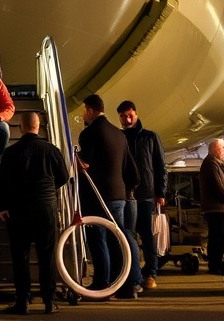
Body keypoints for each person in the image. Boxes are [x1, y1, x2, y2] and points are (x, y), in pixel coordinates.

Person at [0, 111, 69, 315]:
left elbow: (1, 182)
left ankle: (22, 300)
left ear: (21, 127)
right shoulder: (51, 150)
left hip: (18, 210)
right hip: (45, 207)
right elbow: (63, 177)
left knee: (20, 256)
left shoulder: (11, 152)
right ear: (38, 126)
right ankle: (49, 301)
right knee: (46, 255)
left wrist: (2, 206)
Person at [76, 94, 142, 300]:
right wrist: (126, 191)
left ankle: (102, 284)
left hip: (97, 195)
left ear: (89, 110)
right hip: (118, 195)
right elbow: (133, 172)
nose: (83, 116)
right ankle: (127, 285)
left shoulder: (89, 133)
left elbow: (84, 164)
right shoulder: (119, 134)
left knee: (98, 239)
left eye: (84, 112)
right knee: (119, 238)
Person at [117, 100, 167, 290]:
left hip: (146, 194)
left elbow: (160, 166)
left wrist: (161, 192)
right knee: (129, 234)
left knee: (146, 235)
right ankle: (133, 273)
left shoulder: (150, 137)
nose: (127, 120)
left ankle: (151, 272)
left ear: (136, 114)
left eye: (130, 115)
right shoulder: (120, 137)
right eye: (123, 116)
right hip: (126, 194)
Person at [199, 139, 224, 274]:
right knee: (218, 237)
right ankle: (215, 265)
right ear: (215, 149)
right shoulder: (211, 164)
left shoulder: (214, 163)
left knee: (219, 237)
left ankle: (216, 263)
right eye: (223, 148)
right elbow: (220, 188)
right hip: (216, 208)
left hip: (218, 208)